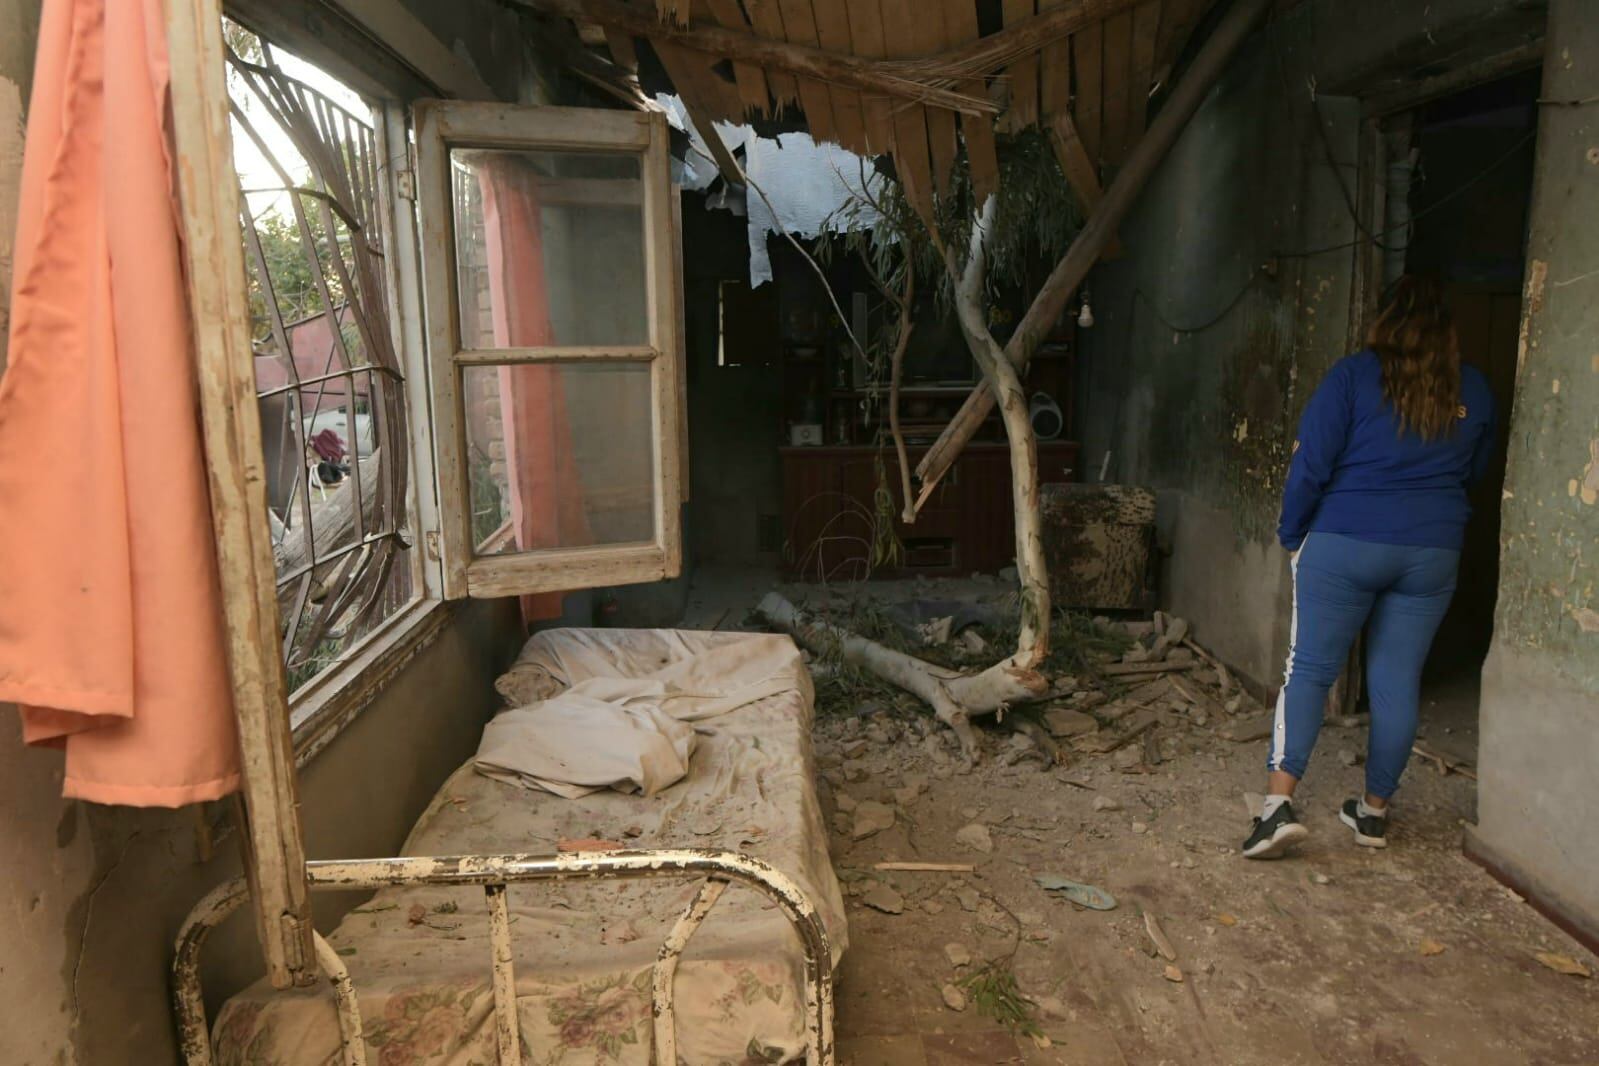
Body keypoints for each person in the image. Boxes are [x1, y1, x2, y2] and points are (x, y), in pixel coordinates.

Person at [1242, 275, 1497, 859]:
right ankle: (1374, 814)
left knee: (1307, 671)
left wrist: (1290, 533)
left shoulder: (1354, 376)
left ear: (1382, 323)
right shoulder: (1475, 390)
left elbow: (1311, 466)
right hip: (1433, 551)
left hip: (1346, 540)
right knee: (1396, 680)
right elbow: (1476, 470)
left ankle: (1276, 809)